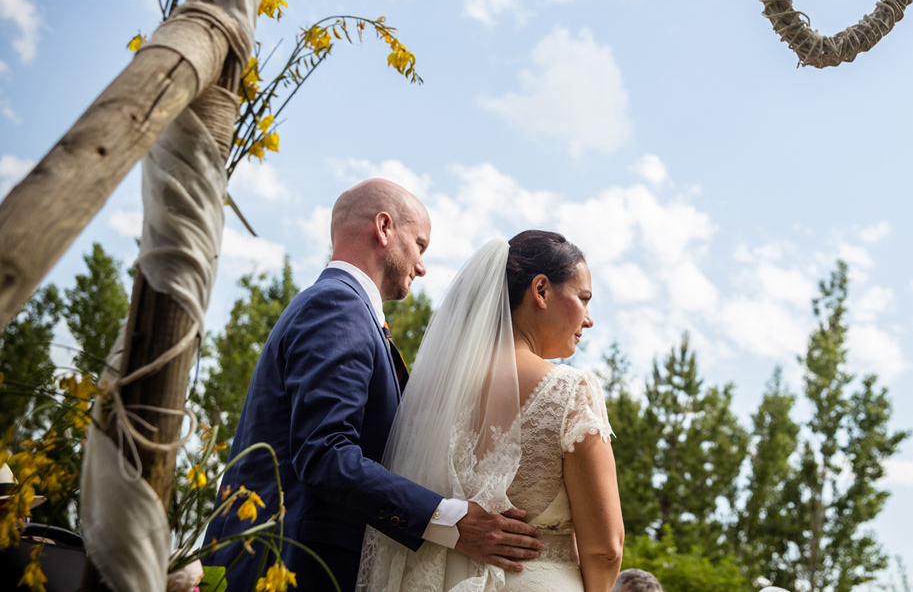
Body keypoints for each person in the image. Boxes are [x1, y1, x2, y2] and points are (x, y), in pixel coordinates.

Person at [203, 180, 542, 591]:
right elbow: (326, 452)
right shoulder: (338, 306)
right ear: (384, 228)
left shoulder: (345, 308)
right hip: (294, 570)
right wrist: (451, 521)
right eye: (419, 245)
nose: (421, 266)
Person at [357, 230, 624, 592]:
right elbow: (606, 550)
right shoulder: (570, 391)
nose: (588, 320)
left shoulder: (434, 393)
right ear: (541, 290)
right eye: (583, 298)